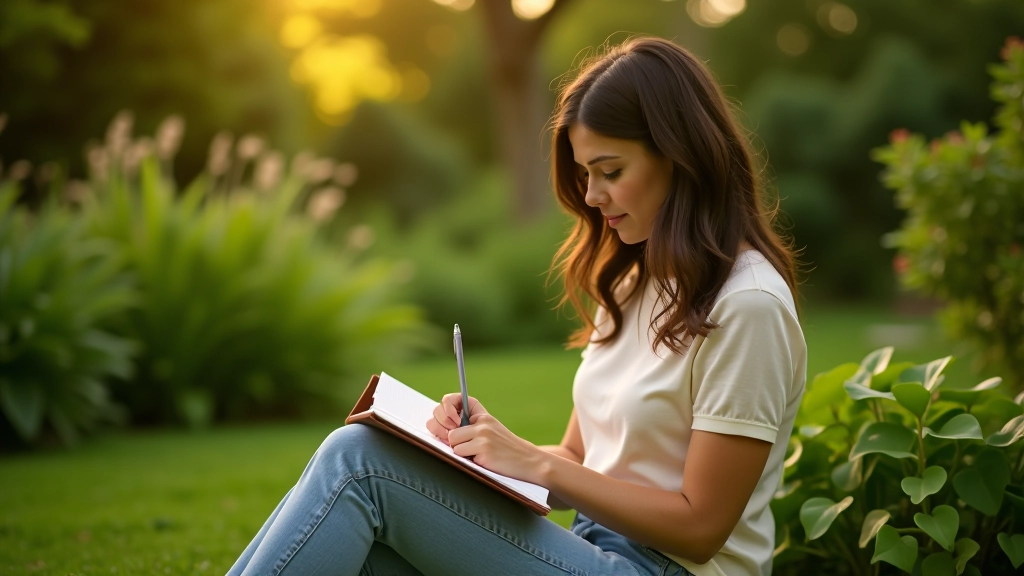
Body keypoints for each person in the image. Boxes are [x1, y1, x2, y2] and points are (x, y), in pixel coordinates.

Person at [226, 36, 805, 576]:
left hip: (664, 567)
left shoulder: (747, 306)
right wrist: (483, 450)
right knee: (365, 542)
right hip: (589, 547)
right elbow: (580, 456)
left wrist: (539, 464)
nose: (592, 196)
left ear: (680, 158)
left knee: (359, 462)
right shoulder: (633, 284)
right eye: (584, 174)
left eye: (611, 172)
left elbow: (702, 527)